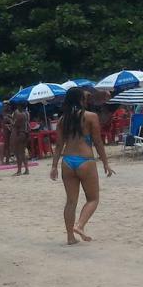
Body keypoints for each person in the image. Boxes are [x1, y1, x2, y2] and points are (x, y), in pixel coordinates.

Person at [50, 87, 114, 245]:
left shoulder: (63, 120)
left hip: (67, 161)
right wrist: (105, 162)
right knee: (93, 199)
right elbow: (98, 141)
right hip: (85, 160)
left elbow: (59, 145)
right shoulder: (91, 116)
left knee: (71, 202)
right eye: (85, 97)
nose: (87, 99)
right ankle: (80, 225)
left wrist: (54, 166)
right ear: (80, 100)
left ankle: (70, 238)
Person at [9, 102, 30, 175]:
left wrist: (11, 121)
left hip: (20, 133)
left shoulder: (18, 114)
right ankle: (26, 169)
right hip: (26, 133)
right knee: (23, 152)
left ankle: (19, 170)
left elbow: (15, 125)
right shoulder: (27, 113)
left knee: (18, 153)